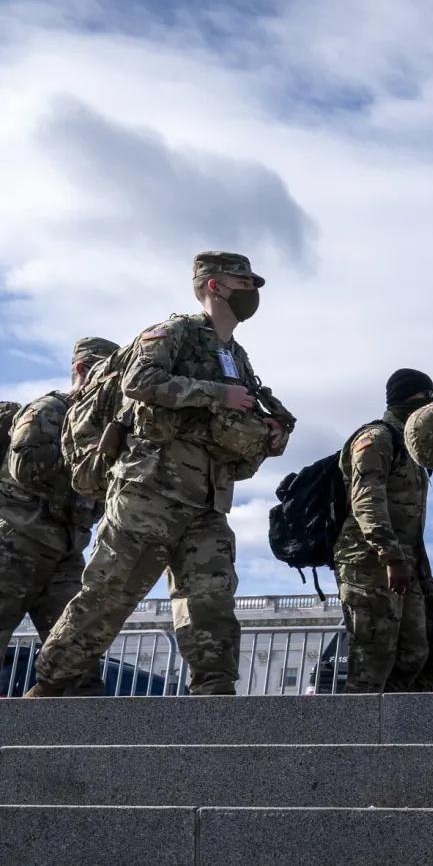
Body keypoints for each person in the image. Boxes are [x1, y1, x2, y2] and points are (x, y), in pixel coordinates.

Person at [28, 252, 291, 697]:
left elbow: (233, 423)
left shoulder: (236, 356)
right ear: (214, 285)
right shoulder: (173, 332)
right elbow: (139, 380)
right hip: (149, 489)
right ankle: (52, 683)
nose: (252, 290)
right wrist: (217, 394)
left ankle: (215, 696)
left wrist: (267, 429)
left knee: (211, 602)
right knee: (110, 594)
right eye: (242, 281)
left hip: (209, 501)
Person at [0, 337, 119, 691]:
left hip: (65, 554)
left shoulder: (102, 425)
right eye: (101, 373)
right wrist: (87, 463)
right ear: (81, 370)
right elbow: (27, 467)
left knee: (78, 657)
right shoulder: (50, 409)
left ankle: (79, 740)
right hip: (15, 544)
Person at [333, 369, 433, 693]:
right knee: (371, 663)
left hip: (404, 564)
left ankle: (390, 737)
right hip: (369, 563)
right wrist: (391, 556)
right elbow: (367, 501)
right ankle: (354, 740)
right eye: (427, 398)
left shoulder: (413, 447)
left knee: (414, 654)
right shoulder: (377, 438)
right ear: (415, 398)